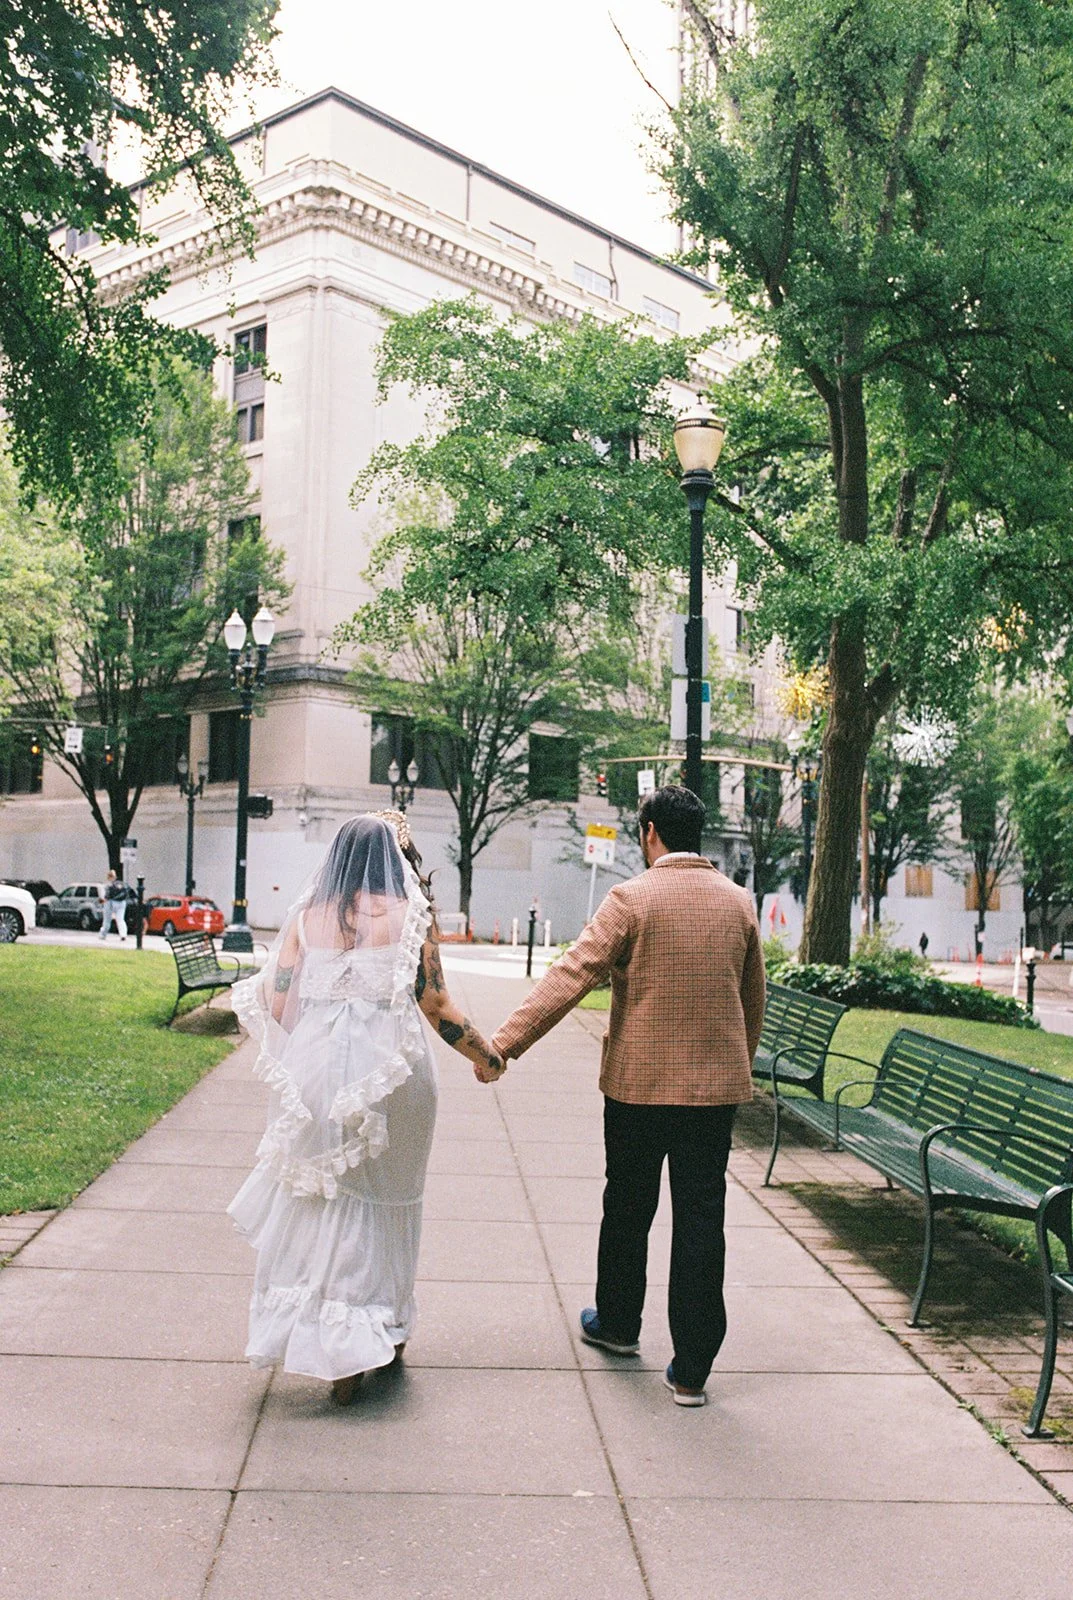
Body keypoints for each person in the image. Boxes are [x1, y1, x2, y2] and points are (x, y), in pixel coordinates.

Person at [489, 785, 765, 1407]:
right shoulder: (737, 903)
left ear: (648, 833)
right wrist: (733, 1069)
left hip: (637, 1090)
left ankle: (617, 1324)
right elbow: (753, 1001)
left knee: (628, 1206)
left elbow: (571, 974)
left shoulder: (631, 899)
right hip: (710, 1097)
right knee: (702, 1219)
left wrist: (503, 1045)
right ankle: (692, 1369)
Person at [227, 811, 502, 1405]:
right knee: (389, 1200)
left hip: (318, 1076)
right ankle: (383, 1330)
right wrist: (488, 1055)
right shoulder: (411, 919)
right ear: (393, 859)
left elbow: (280, 1006)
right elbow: (435, 1003)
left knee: (323, 1201)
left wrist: (329, 1013)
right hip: (390, 1077)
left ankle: (335, 1351)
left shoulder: (306, 917)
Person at [99, 870, 128, 941]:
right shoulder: (122, 884)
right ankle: (123, 934)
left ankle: (103, 934)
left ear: (108, 877)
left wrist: (102, 901)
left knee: (107, 920)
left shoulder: (107, 885)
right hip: (122, 902)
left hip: (110, 903)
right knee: (120, 919)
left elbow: (105, 897)